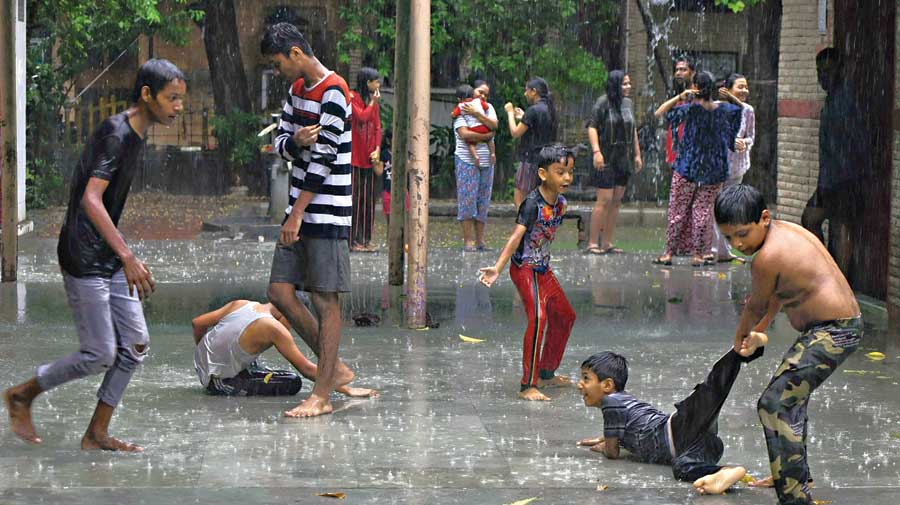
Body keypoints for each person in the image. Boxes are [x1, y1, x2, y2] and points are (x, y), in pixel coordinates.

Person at [3, 59, 186, 451]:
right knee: (100, 352)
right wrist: (128, 255)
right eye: (172, 98)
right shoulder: (116, 133)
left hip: (109, 253)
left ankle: (96, 433)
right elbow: (90, 199)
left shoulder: (137, 134)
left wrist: (120, 255)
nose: (179, 106)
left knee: (135, 345)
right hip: (84, 255)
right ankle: (23, 394)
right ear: (146, 95)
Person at [715, 184, 863, 505]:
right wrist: (763, 328)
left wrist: (741, 336)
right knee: (790, 398)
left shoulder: (766, 257)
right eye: (729, 238)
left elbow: (755, 305)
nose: (738, 244)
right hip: (833, 327)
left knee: (775, 403)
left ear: (764, 218)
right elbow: (778, 294)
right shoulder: (784, 233)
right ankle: (793, 473)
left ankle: (795, 495)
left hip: (835, 330)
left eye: (742, 234)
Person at [261, 22, 356, 418]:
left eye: (278, 61)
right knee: (280, 291)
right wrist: (296, 141)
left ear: (296, 53)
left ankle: (322, 395)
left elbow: (327, 158)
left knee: (324, 299)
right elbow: (278, 143)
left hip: (325, 212)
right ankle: (334, 370)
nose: (277, 69)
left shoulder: (335, 92)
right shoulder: (297, 91)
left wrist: (298, 213)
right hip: (297, 210)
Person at [577, 334, 766, 494]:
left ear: (608, 385)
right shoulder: (621, 402)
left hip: (677, 429)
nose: (579, 384)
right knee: (682, 469)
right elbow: (632, 425)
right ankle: (725, 471)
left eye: (586, 378)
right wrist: (611, 436)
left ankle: (745, 348)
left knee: (712, 389)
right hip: (698, 446)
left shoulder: (611, 401)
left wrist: (607, 445)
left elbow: (612, 453)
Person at [478, 144, 576, 401]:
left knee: (565, 315)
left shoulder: (561, 203)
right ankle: (528, 384)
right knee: (539, 318)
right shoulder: (531, 204)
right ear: (543, 174)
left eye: (569, 172)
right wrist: (497, 268)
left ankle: (546, 372)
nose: (567, 178)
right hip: (524, 269)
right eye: (560, 172)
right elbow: (516, 237)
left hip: (543, 269)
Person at [192, 299, 376, 398]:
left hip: (203, 367)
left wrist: (206, 354)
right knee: (291, 381)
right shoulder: (275, 328)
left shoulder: (242, 304)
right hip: (219, 383)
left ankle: (227, 371)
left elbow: (197, 323)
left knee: (253, 359)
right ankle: (226, 378)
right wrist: (347, 389)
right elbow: (306, 369)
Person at [653, 71, 743, 267]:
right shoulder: (724, 110)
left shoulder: (690, 109)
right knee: (702, 212)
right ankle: (698, 255)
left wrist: (680, 96)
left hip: (688, 167)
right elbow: (740, 111)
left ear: (695, 87)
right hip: (713, 170)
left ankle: (668, 254)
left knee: (677, 211)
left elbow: (659, 112)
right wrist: (730, 96)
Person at [801, 48, 869, 276]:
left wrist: (852, 176)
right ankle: (829, 271)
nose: (822, 77)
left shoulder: (847, 99)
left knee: (841, 228)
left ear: (840, 70)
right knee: (811, 219)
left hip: (845, 178)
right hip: (830, 178)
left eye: (828, 71)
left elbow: (858, 141)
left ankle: (841, 282)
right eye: (819, 71)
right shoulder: (834, 98)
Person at [585, 70, 643, 255]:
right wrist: (596, 151)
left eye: (629, 83)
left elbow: (632, 128)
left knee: (616, 201)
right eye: (624, 84)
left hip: (623, 157)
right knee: (604, 200)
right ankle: (593, 242)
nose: (628, 87)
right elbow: (592, 126)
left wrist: (637, 154)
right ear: (615, 85)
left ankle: (607, 243)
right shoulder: (603, 103)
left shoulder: (628, 103)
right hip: (605, 156)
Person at [710, 73, 755, 263]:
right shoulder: (715, 108)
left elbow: (751, 136)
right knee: (714, 208)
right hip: (717, 166)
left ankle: (725, 250)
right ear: (727, 89)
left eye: (746, 87)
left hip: (737, 168)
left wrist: (744, 143)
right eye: (740, 87)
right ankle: (712, 250)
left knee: (729, 209)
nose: (744, 90)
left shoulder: (748, 110)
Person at [453, 84, 497, 252]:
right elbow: (465, 134)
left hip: (487, 162)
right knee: (467, 200)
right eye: (480, 92)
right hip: (466, 161)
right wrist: (487, 135)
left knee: (483, 201)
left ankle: (480, 240)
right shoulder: (462, 108)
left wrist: (478, 114)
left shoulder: (487, 108)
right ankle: (468, 241)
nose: (483, 96)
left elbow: (495, 126)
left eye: (486, 94)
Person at [504, 77, 558, 209]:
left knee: (521, 199)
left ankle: (525, 227)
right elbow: (537, 126)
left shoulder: (533, 110)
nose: (525, 93)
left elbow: (515, 133)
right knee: (541, 198)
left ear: (534, 91)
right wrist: (523, 117)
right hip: (546, 159)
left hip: (530, 159)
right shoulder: (551, 110)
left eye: (526, 90)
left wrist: (510, 113)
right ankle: (539, 227)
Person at [349, 67, 382, 252]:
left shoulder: (373, 101)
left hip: (370, 158)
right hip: (355, 158)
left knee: (369, 201)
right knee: (355, 200)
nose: (378, 85)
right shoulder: (352, 97)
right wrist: (372, 103)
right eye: (375, 81)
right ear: (367, 82)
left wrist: (377, 149)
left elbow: (377, 127)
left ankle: (366, 239)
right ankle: (353, 241)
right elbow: (361, 117)